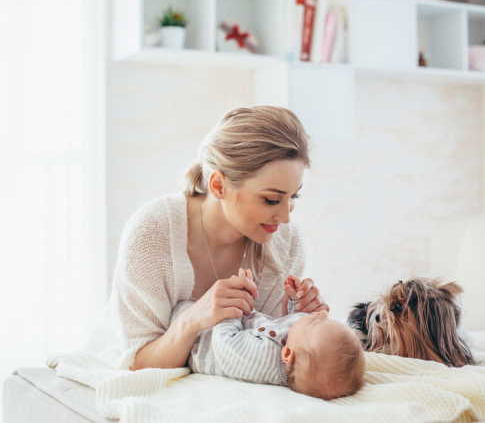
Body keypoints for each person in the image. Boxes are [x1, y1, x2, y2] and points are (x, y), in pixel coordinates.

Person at [90, 106, 330, 371]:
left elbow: (266, 360)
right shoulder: (153, 232)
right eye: (271, 200)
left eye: (293, 197)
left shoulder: (286, 244)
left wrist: (296, 321)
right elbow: (136, 364)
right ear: (218, 185)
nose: (285, 217)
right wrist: (192, 320)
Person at [188, 270, 365, 400]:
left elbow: (224, 345)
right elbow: (283, 324)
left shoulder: (262, 360)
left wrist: (234, 307)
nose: (321, 314)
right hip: (211, 320)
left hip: (197, 338)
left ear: (287, 354)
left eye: (316, 321)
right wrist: (295, 302)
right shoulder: (297, 341)